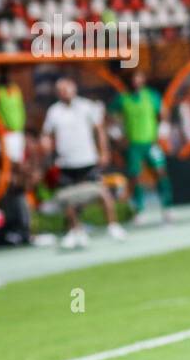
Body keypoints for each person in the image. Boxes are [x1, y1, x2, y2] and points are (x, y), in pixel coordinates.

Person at [41, 77, 126, 249]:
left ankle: (113, 226)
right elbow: (47, 134)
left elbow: (99, 129)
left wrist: (104, 151)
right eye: (61, 90)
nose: (65, 92)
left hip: (87, 159)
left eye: (67, 88)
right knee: (68, 199)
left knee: (102, 192)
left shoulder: (86, 106)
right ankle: (76, 231)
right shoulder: (54, 111)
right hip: (66, 162)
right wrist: (46, 147)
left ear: (74, 89)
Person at [110, 68, 174, 223]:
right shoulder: (122, 99)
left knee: (160, 172)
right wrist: (117, 136)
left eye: (138, 77)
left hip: (151, 142)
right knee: (135, 176)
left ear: (143, 79)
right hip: (133, 145)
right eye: (132, 78)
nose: (135, 81)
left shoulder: (152, 96)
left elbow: (163, 115)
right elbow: (110, 118)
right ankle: (139, 209)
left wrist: (162, 133)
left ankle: (167, 207)